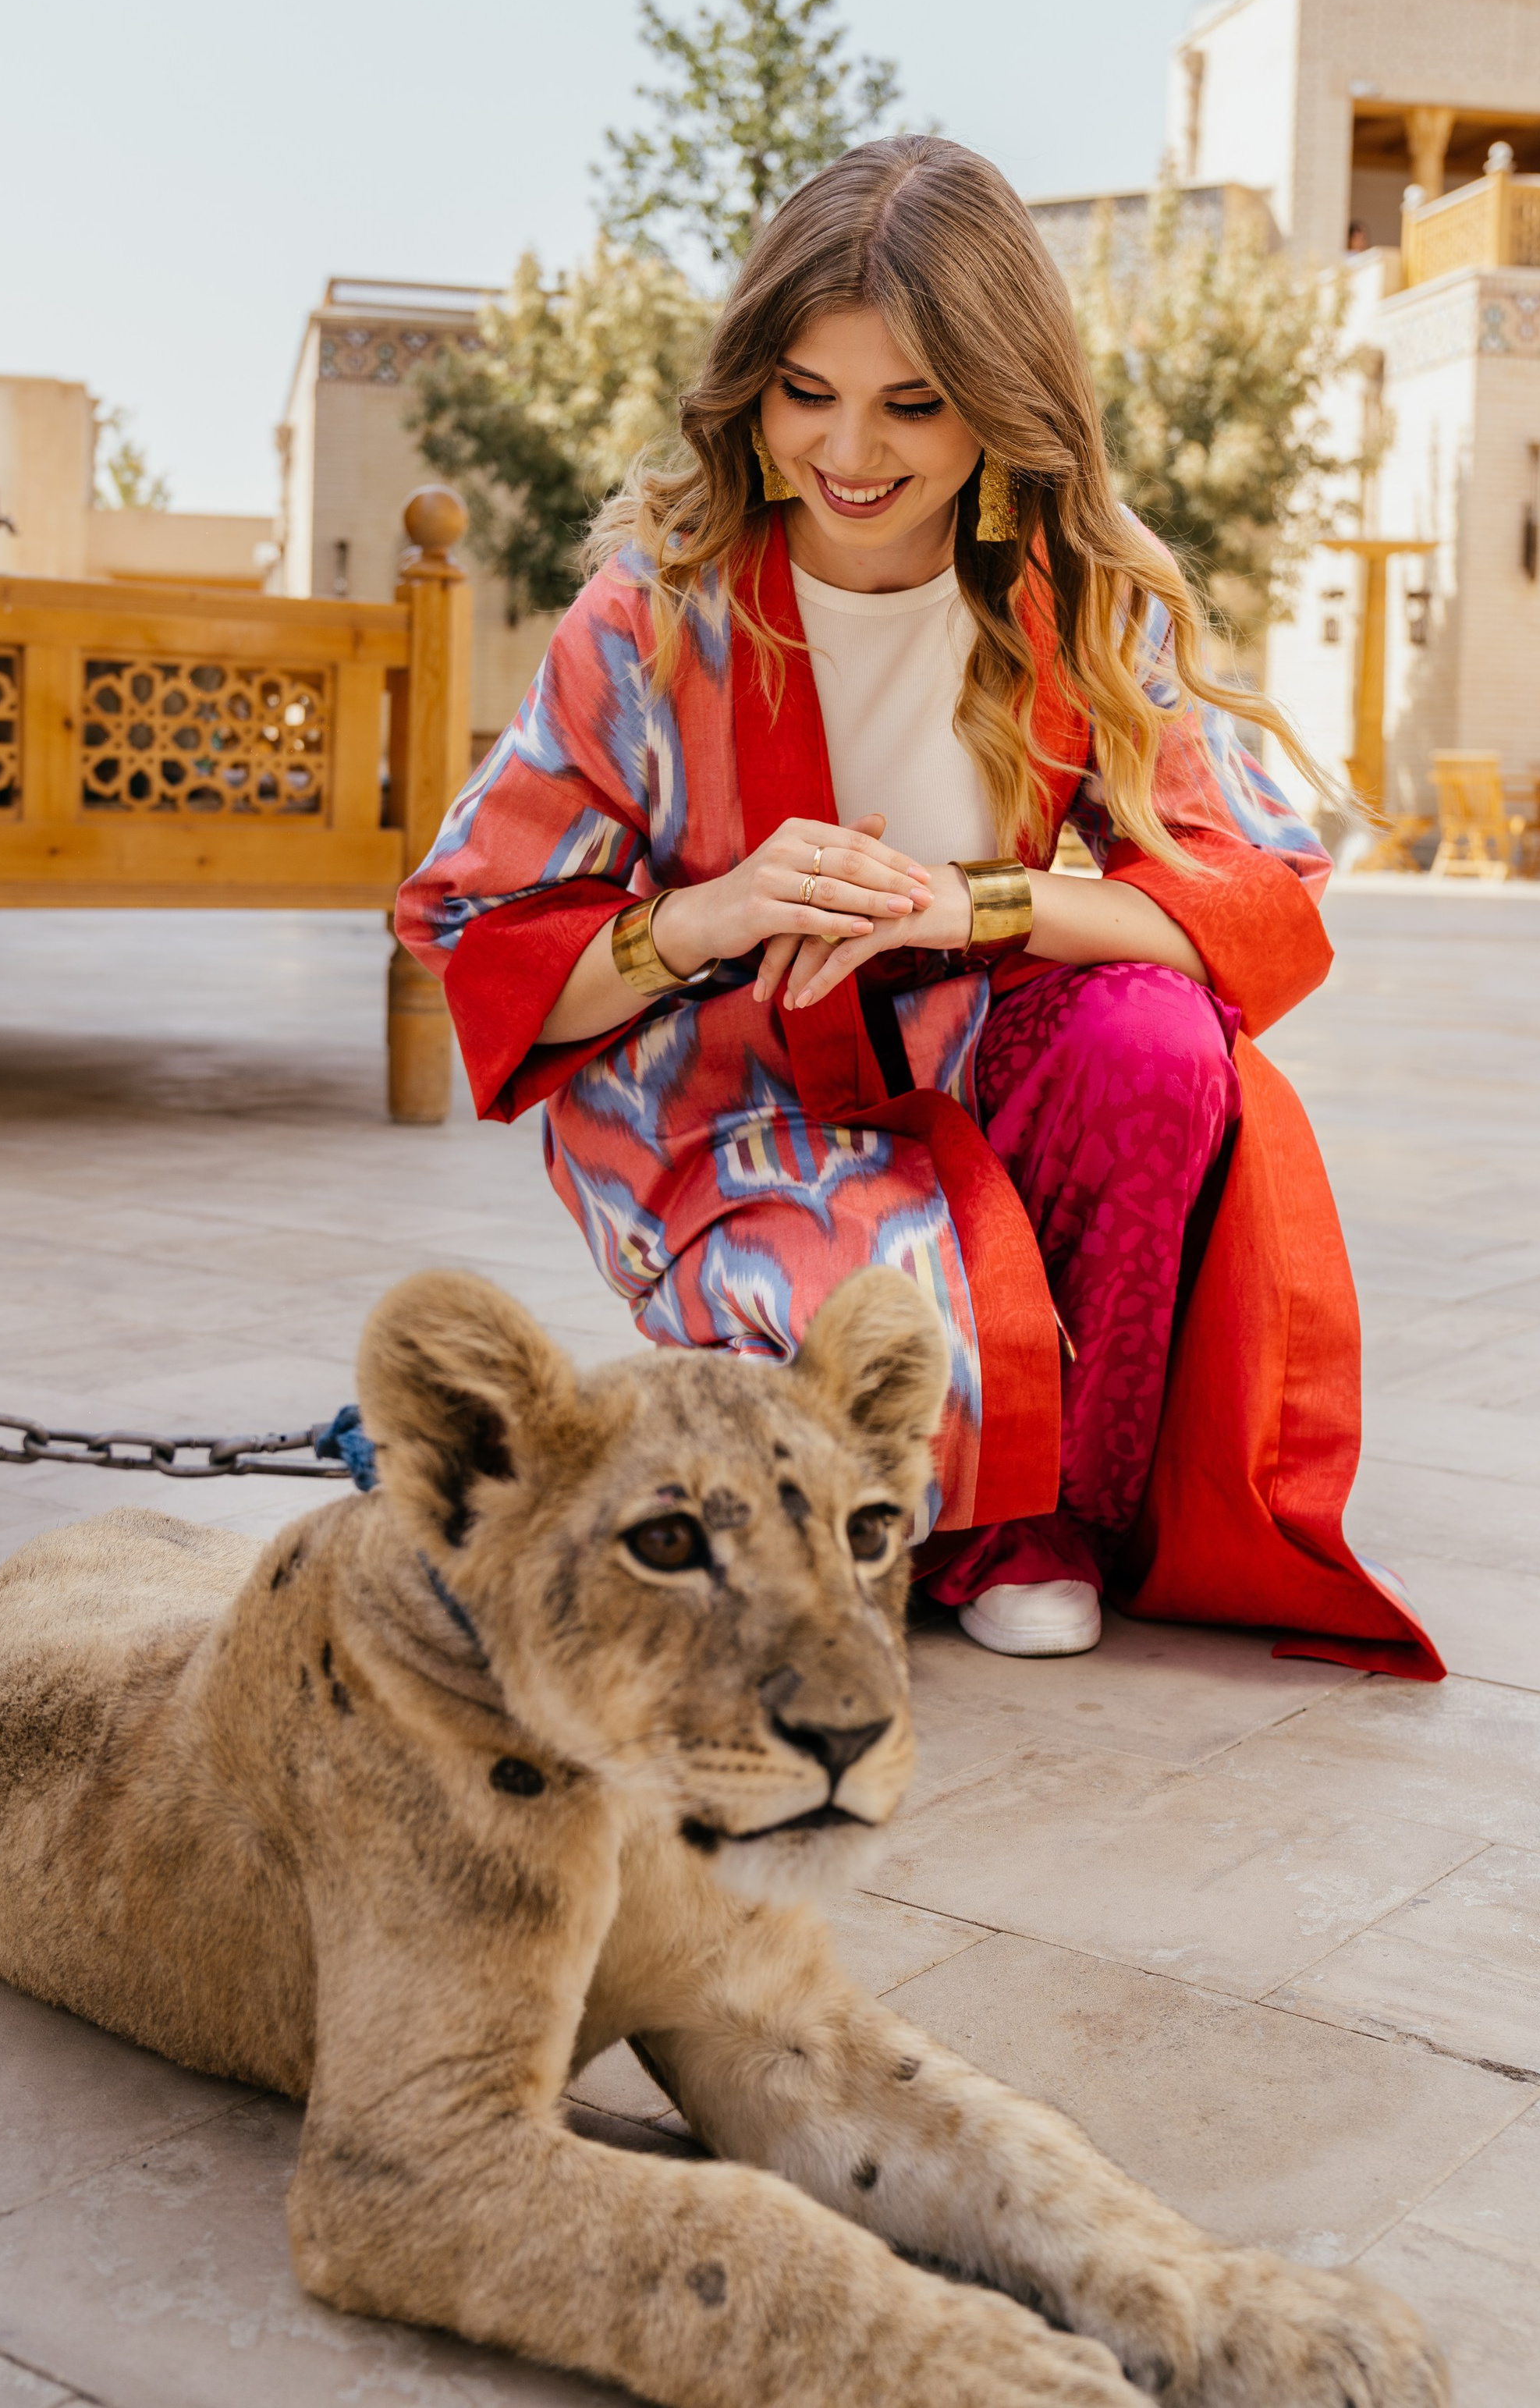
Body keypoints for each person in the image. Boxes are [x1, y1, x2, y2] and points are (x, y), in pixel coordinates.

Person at [396, 137, 1439, 1680]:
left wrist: (980, 903)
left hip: (977, 1066)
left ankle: (1053, 1515)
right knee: (893, 1375)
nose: (849, 452)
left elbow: (1248, 900)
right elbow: (472, 938)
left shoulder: (1082, 600)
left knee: (1157, 1040)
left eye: (911, 403)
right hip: (739, 1099)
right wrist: (705, 914)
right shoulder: (645, 619)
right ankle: (962, 1473)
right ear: (749, 384)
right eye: (805, 391)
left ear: (999, 400)